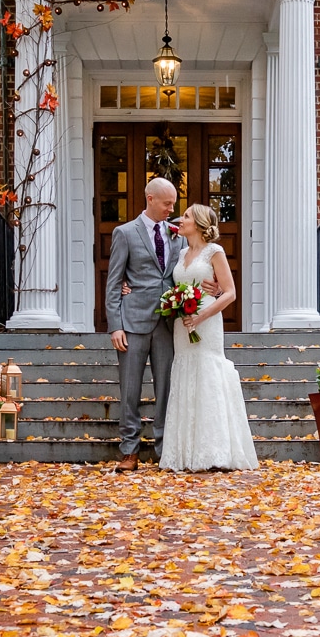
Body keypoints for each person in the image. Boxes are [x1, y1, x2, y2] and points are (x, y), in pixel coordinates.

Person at [159, 202, 259, 472]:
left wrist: (201, 316)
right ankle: (185, 453)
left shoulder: (215, 251)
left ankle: (214, 451)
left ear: (200, 224)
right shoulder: (180, 254)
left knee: (207, 374)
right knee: (185, 373)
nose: (181, 219)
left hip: (206, 320)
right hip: (183, 323)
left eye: (187, 216)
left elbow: (229, 293)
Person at [107, 177, 179, 468]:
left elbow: (183, 272)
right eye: (167, 203)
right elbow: (114, 283)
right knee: (130, 390)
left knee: (166, 389)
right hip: (132, 322)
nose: (171, 209)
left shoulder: (178, 234)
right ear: (150, 199)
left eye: (173, 203)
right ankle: (130, 450)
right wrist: (115, 325)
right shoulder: (124, 233)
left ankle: (164, 450)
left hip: (167, 323)